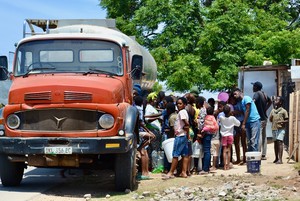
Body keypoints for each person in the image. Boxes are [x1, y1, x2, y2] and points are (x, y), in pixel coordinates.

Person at [163, 97, 190, 179]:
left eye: (180, 103)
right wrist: (187, 134)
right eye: (177, 103)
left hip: (180, 135)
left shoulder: (181, 112)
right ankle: (183, 172)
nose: (178, 105)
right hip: (184, 135)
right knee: (185, 154)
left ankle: (170, 172)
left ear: (184, 104)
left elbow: (186, 123)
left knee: (175, 154)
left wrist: (186, 128)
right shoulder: (184, 112)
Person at [133, 95, 156, 180]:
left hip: (139, 131)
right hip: (142, 130)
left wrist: (147, 130)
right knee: (145, 152)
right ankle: (146, 172)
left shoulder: (136, 109)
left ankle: (143, 173)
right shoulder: (141, 109)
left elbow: (140, 122)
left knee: (142, 151)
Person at [252, 81, 272, 160]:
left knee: (259, 136)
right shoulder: (264, 94)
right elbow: (270, 101)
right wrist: (265, 109)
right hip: (264, 118)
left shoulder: (256, 94)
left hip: (259, 119)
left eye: (253, 86)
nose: (252, 87)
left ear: (256, 87)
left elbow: (253, 102)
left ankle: (259, 153)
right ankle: (264, 154)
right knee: (264, 136)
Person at [198, 106, 219, 174]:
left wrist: (207, 128)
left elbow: (202, 125)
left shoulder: (206, 117)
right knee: (208, 151)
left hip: (206, 135)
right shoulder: (213, 118)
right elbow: (216, 127)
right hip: (210, 135)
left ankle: (205, 169)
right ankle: (207, 167)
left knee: (206, 151)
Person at [219, 105, 241, 170]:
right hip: (230, 135)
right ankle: (228, 165)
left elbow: (219, 117)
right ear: (230, 111)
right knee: (229, 150)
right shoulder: (232, 118)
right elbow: (238, 123)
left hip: (224, 135)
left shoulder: (221, 117)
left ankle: (224, 165)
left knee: (224, 150)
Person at [269, 96, 288, 164]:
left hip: (281, 129)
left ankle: (280, 159)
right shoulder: (273, 111)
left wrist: (281, 122)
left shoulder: (283, 111)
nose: (275, 101)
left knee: (280, 142)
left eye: (277, 100)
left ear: (280, 102)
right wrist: (271, 117)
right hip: (274, 129)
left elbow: (287, 120)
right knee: (275, 143)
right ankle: (276, 158)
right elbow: (270, 120)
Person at [230, 93, 247, 165]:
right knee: (236, 143)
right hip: (235, 124)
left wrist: (236, 112)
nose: (231, 101)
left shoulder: (240, 103)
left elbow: (244, 111)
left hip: (241, 122)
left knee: (243, 142)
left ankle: (245, 159)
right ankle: (238, 159)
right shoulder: (231, 106)